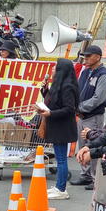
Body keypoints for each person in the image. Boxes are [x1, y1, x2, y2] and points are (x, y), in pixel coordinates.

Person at [37, 59, 79, 200]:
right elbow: (54, 102)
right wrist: (45, 90)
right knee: (60, 158)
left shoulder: (68, 87)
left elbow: (69, 109)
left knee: (61, 159)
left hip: (63, 127)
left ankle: (61, 189)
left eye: (55, 68)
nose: (52, 70)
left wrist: (51, 114)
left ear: (61, 71)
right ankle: (58, 186)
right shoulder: (59, 85)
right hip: (56, 126)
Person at [70, 45, 106, 187]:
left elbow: (98, 98)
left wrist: (80, 106)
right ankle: (85, 174)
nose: (85, 59)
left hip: (93, 116)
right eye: (85, 56)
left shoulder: (103, 74)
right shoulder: (86, 71)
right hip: (82, 115)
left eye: (88, 56)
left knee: (93, 146)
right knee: (82, 146)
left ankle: (95, 178)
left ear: (98, 57)